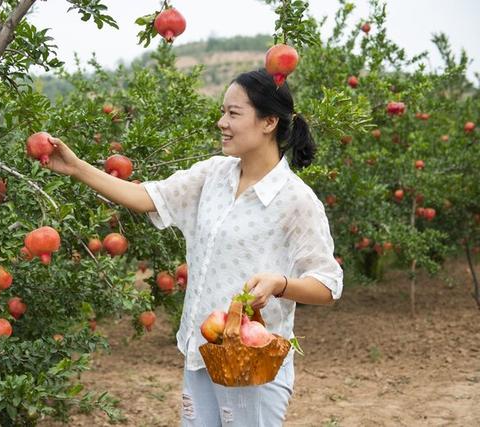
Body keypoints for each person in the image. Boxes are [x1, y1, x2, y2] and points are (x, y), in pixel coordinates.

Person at [42, 68, 343, 426]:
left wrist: (280, 283)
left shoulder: (296, 200)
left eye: (233, 113)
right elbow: (145, 197)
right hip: (202, 351)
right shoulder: (213, 175)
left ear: (269, 122)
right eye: (222, 112)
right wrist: (77, 168)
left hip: (253, 363)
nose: (222, 123)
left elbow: (327, 285)